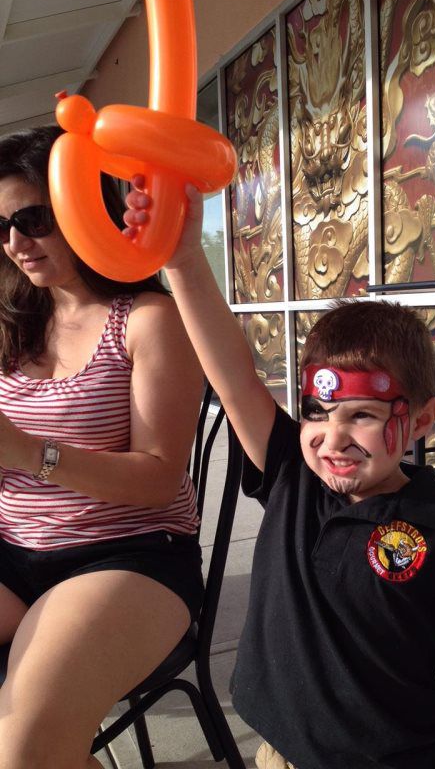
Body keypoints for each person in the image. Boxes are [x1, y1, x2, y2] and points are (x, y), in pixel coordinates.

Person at [125, 180, 435, 769]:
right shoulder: (291, 473)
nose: (332, 439)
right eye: (316, 412)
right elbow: (232, 373)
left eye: (362, 416)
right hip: (281, 754)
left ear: (421, 421)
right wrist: (181, 260)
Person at [0, 126, 204, 769]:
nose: (15, 244)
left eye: (32, 220)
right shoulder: (14, 322)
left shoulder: (146, 320)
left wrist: (28, 452)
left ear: (86, 209)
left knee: (24, 749)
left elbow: (159, 478)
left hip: (127, 556)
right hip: (13, 552)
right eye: (1, 227)